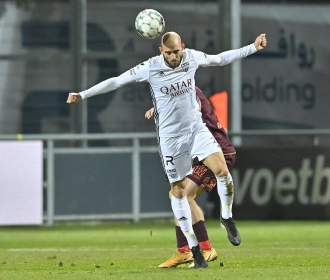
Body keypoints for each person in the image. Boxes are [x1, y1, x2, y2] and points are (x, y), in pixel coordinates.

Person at [67, 31, 267, 268]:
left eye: (177, 51)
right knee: (178, 192)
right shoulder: (150, 68)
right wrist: (83, 94)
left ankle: (227, 218)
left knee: (222, 170)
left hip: (196, 129)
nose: (174, 56)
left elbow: (220, 59)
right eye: (169, 53)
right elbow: (117, 81)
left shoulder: (191, 57)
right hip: (171, 139)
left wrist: (252, 47)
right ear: (161, 52)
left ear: (183, 47)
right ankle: (194, 249)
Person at [145, 86, 237, 268]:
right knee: (177, 196)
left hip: (217, 151)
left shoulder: (186, 87)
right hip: (200, 153)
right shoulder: (178, 89)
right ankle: (184, 250)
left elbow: (190, 109)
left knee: (184, 196)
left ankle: (204, 248)